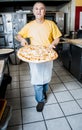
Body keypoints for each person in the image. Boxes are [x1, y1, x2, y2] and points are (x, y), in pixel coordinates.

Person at [16, 2, 62, 112]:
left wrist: (53, 44)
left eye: (41, 9)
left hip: (47, 55)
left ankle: (44, 91)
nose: (38, 11)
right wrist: (22, 40)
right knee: (36, 79)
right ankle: (40, 100)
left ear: (44, 11)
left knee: (46, 78)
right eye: (36, 9)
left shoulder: (51, 24)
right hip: (34, 56)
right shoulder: (29, 25)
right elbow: (18, 35)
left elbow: (57, 38)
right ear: (33, 11)